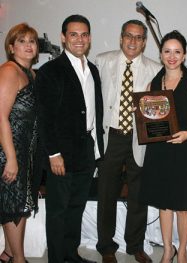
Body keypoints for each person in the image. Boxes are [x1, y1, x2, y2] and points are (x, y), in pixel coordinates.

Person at [35, 15, 104, 263]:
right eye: (73, 34)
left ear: (90, 38)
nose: (79, 39)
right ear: (63, 37)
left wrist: (97, 150)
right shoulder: (50, 71)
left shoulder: (93, 70)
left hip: (86, 149)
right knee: (58, 212)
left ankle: (70, 254)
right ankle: (56, 258)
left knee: (76, 208)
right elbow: (45, 117)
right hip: (61, 154)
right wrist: (53, 154)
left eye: (84, 34)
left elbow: (94, 111)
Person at [140, 30, 187, 263]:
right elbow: (150, 116)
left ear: (184, 55)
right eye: (167, 51)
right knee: (163, 203)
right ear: (160, 54)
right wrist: (139, 113)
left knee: (182, 205)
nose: (172, 56)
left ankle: (182, 251)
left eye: (177, 51)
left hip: (184, 150)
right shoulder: (154, 82)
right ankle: (167, 249)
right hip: (159, 151)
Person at [95, 20, 161, 263]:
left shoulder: (155, 69)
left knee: (138, 196)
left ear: (144, 42)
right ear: (121, 38)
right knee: (106, 194)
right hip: (110, 137)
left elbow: (159, 107)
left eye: (138, 37)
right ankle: (106, 247)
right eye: (129, 36)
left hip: (139, 138)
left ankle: (135, 246)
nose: (133, 41)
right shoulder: (102, 61)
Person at [0, 23, 38, 263]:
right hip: (7, 151)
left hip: (24, 150)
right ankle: (19, 260)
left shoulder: (31, 73)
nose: (28, 45)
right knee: (14, 206)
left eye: (32, 41)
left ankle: (8, 254)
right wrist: (11, 158)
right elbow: (0, 116)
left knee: (19, 204)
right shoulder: (8, 71)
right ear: (11, 47)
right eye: (22, 41)